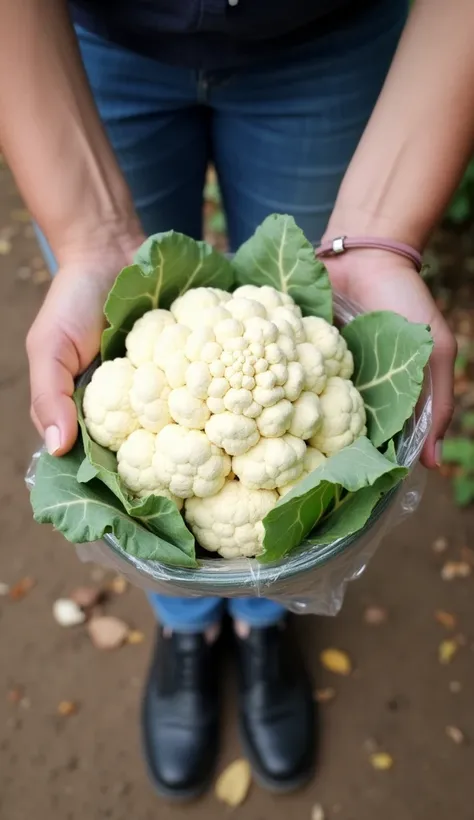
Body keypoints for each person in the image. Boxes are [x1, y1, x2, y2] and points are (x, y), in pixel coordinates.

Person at [0, 0, 468, 800]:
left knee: (328, 249)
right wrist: (86, 238)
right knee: (109, 276)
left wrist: (383, 231)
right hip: (88, 42)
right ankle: (187, 630)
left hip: (328, 37)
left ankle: (261, 626)